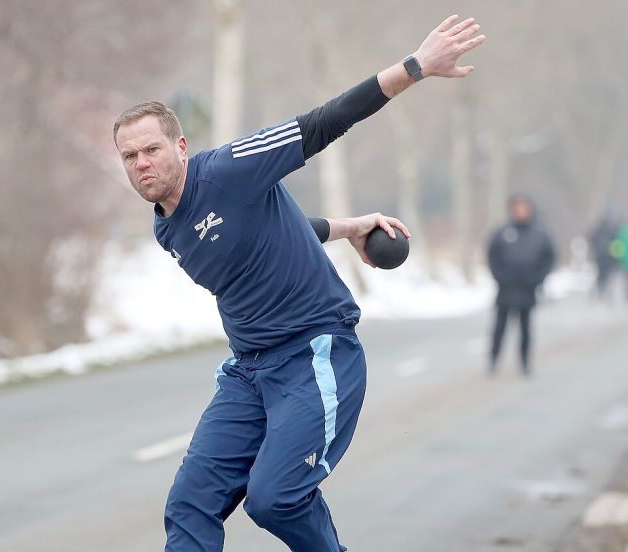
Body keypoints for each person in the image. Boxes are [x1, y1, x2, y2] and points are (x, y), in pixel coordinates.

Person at [112, 14, 485, 552]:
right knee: (189, 503)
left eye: (152, 149)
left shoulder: (232, 168)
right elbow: (258, 240)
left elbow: (324, 121)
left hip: (316, 354)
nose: (142, 163)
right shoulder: (167, 229)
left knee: (275, 498)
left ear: (181, 146)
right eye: (130, 156)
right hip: (250, 373)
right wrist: (346, 228)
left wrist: (416, 67)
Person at [486, 194, 555, 377]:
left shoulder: (539, 234)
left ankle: (525, 363)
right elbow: (492, 256)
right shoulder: (502, 233)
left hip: (527, 289)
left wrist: (537, 278)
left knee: (526, 329)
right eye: (518, 207)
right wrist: (500, 276)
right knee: (500, 327)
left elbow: (549, 258)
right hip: (506, 289)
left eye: (524, 207)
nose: (521, 211)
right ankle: (493, 360)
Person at [588, 212, 618, 301]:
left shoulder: (597, 230)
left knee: (600, 273)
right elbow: (615, 243)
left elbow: (592, 240)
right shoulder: (611, 230)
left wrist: (594, 250)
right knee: (606, 274)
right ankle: (604, 290)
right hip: (608, 255)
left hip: (600, 255)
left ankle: (600, 289)